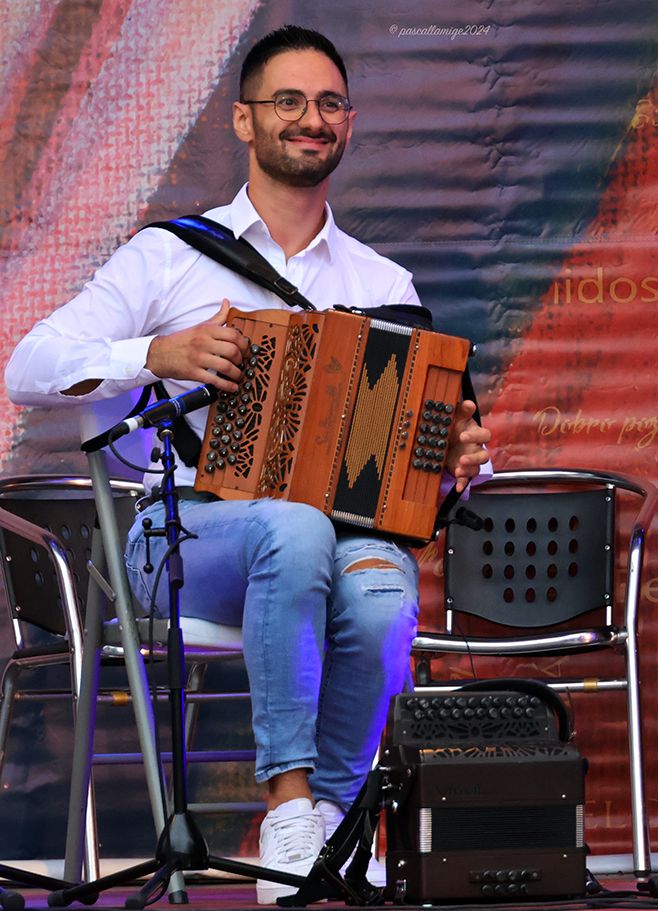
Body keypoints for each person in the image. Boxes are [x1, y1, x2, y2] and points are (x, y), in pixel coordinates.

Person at [4, 25, 492, 903]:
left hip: (342, 539)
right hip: (177, 540)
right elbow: (26, 367)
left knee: (384, 595)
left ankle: (330, 834)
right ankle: (287, 802)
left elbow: (429, 462)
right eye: (290, 101)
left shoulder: (386, 283)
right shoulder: (170, 255)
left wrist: (456, 460)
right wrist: (157, 352)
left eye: (331, 103)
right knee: (292, 524)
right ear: (243, 120)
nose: (313, 118)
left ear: (349, 123)